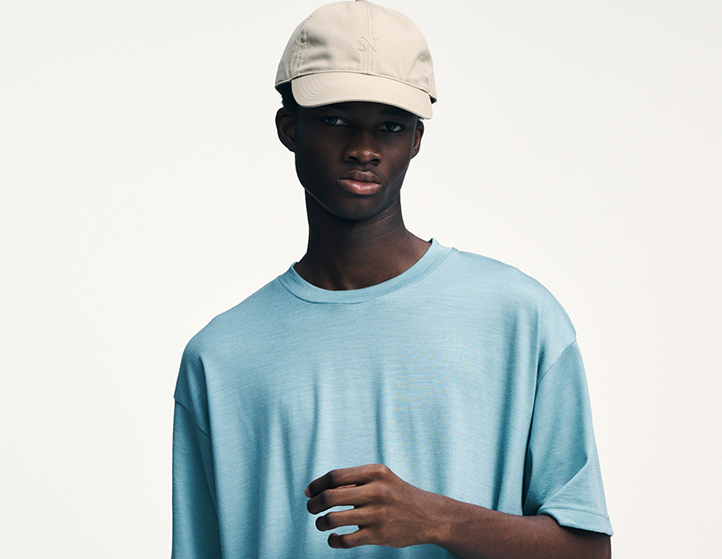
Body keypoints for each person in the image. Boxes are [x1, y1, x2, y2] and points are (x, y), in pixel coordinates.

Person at [172, 1, 613, 557]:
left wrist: (438, 520)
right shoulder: (219, 357)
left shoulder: (519, 317)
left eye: (390, 126)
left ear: (416, 141)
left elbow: (589, 552)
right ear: (289, 128)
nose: (363, 149)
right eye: (336, 120)